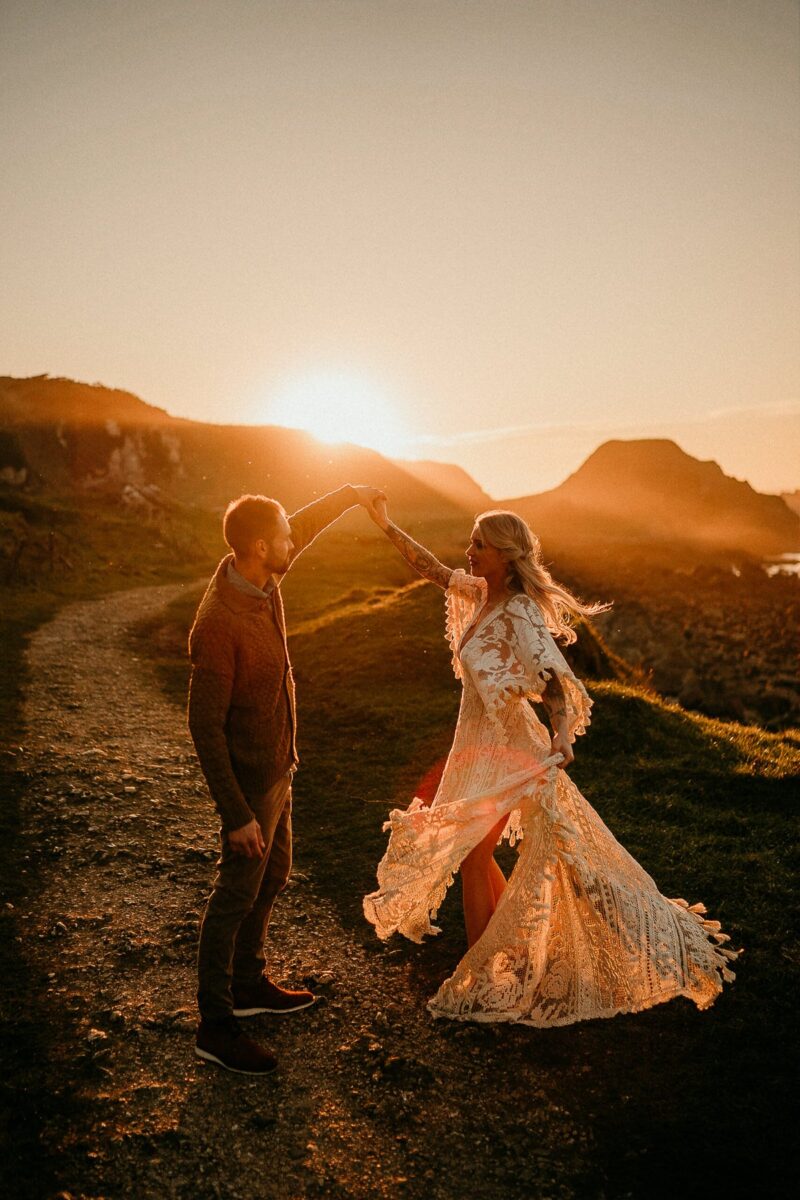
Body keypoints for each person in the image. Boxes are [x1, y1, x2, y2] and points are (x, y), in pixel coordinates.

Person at [363, 500, 739, 1026]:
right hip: (476, 743)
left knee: (474, 854)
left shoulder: (518, 609)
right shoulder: (479, 594)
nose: (469, 553)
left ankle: (486, 973)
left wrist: (562, 734)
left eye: (480, 546)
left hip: (509, 748)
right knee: (475, 852)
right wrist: (383, 521)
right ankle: (500, 957)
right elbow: (429, 568)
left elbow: (552, 677)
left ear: (505, 555)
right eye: (471, 543)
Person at [189, 483, 384, 1074]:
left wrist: (351, 492)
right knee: (234, 896)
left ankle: (248, 984)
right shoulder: (220, 623)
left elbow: (302, 523)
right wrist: (237, 814)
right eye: (284, 538)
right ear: (257, 546)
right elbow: (203, 728)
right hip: (249, 785)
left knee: (274, 875)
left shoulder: (261, 578)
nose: (292, 544)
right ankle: (215, 1026)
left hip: (279, 766)